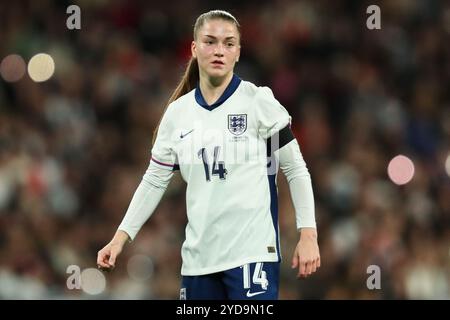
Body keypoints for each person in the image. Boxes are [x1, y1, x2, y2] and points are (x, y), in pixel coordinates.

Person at [97, 9, 320, 300]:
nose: (219, 51)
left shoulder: (258, 102)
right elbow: (154, 180)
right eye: (210, 41)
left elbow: (295, 169)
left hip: (251, 255)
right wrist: (119, 238)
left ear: (238, 52)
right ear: (194, 48)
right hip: (198, 261)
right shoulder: (178, 114)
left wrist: (308, 235)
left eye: (229, 43)